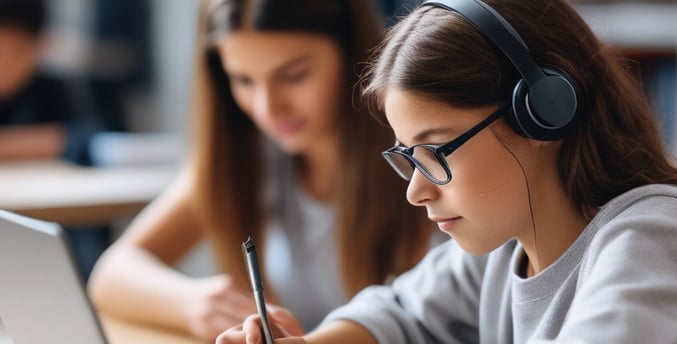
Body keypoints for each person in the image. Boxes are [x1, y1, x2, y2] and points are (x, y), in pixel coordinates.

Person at [217, 0, 677, 343]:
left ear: (542, 113)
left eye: (437, 150)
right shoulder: (503, 247)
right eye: (406, 155)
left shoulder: (657, 231)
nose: (416, 191)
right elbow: (399, 312)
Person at [87, 0, 435, 341]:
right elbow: (111, 273)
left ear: (354, 54)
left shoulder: (421, 161)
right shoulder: (252, 154)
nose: (268, 109)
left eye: (294, 75)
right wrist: (196, 304)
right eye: (243, 80)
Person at [0, 0, 111, 282]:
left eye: (16, 53)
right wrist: (45, 141)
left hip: (55, 213)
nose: (5, 66)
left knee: (81, 250)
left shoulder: (55, 87)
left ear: (41, 45)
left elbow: (86, 140)